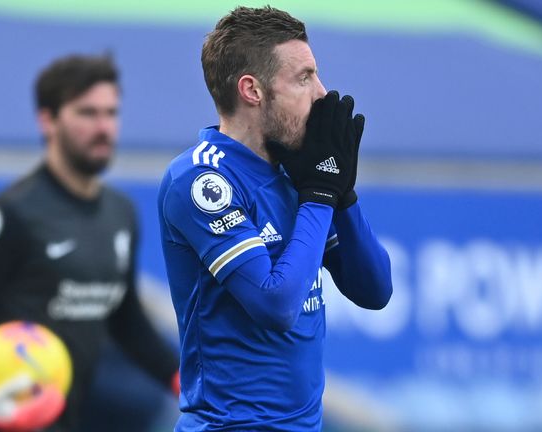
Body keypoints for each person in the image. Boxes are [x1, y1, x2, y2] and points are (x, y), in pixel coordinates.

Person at [157, 6, 393, 431]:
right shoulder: (202, 178)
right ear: (252, 90)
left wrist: (343, 192)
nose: (322, 93)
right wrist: (320, 194)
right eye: (303, 78)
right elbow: (275, 304)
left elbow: (375, 290)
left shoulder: (295, 174)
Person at [0, 54, 180, 432]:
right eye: (87, 113)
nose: (104, 127)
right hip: (2, 423)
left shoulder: (120, 212)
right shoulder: (7, 215)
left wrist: (184, 382)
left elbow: (126, 318)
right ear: (47, 120)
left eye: (111, 113)